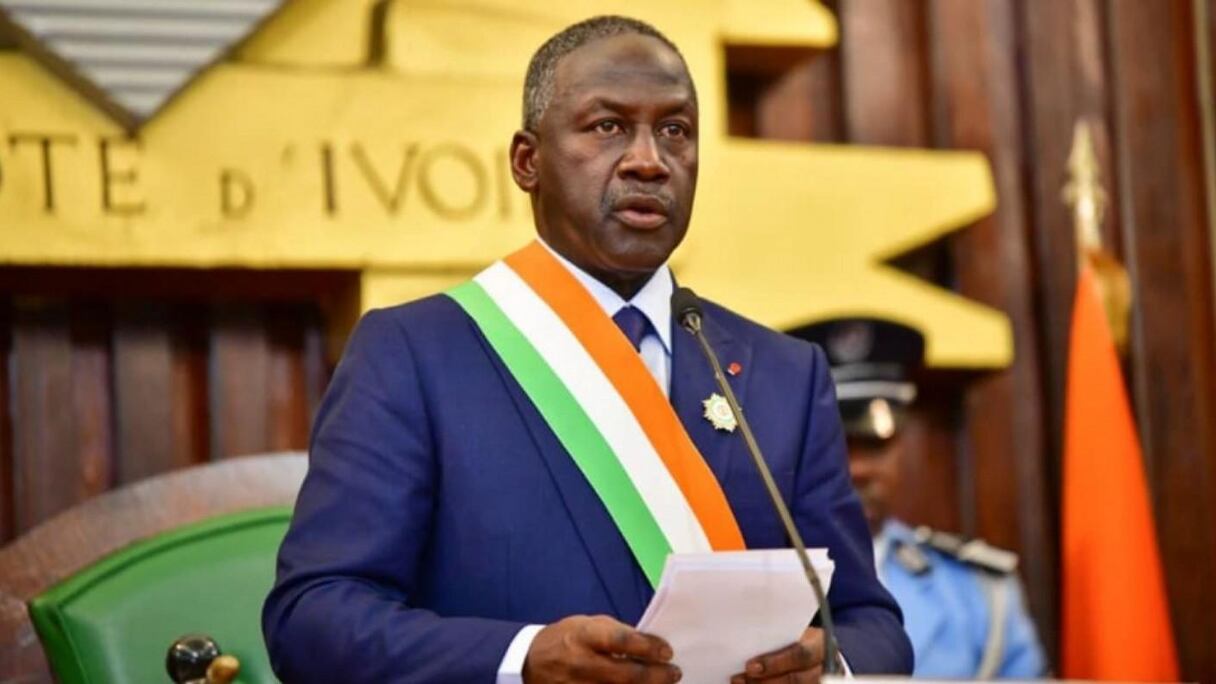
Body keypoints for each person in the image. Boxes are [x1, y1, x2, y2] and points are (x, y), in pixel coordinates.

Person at [264, 16, 911, 683]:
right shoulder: (413, 355)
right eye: (607, 126)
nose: (648, 160)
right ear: (528, 162)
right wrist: (521, 659)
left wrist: (829, 665)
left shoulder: (785, 376)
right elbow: (313, 620)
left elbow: (872, 626)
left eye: (675, 130)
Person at [792, 317, 1047, 679]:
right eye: (838, 447)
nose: (858, 468)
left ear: (903, 445)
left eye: (875, 444)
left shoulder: (979, 594)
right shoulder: (760, 583)